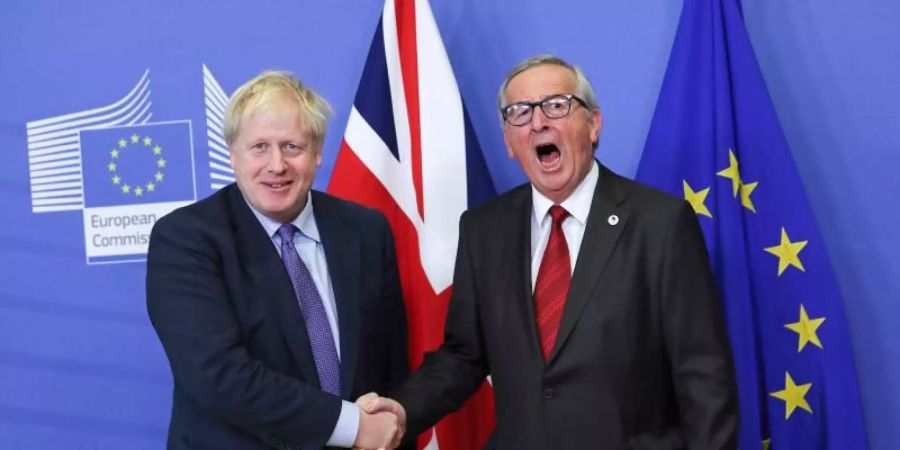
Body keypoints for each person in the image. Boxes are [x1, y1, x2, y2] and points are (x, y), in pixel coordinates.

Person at [362, 55, 739, 448]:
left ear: (593, 125)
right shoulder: (484, 229)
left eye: (556, 105)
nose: (538, 122)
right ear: (509, 141)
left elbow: (704, 375)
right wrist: (403, 409)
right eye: (519, 113)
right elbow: (464, 355)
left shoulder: (660, 222)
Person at [147, 71, 408, 450]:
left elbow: (388, 361)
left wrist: (386, 425)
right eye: (259, 147)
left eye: (291, 147)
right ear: (232, 153)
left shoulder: (366, 230)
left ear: (317, 152)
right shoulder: (186, 238)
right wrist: (353, 426)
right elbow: (218, 375)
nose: (276, 165)